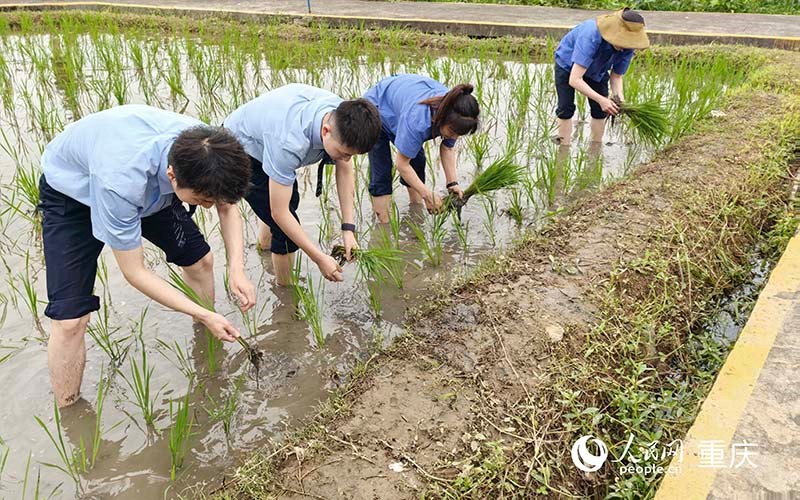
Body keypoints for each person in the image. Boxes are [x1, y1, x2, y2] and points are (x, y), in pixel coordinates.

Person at [39, 104, 255, 407]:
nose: (207, 206)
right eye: (202, 200)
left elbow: (226, 204)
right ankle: (70, 414)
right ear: (172, 176)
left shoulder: (208, 149)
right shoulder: (121, 181)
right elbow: (135, 272)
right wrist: (205, 312)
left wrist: (237, 269)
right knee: (70, 320)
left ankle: (207, 344)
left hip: (150, 188)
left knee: (201, 261)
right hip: (73, 193)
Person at [224, 84, 381, 286]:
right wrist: (319, 258)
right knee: (285, 229)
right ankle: (285, 295)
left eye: (352, 155)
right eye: (344, 152)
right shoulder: (289, 142)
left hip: (268, 134)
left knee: (289, 202)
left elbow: (344, 167)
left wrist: (348, 230)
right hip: (240, 148)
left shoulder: (341, 114)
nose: (347, 159)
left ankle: (265, 248)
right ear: (326, 130)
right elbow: (279, 213)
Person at [363, 75, 480, 223]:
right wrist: (427, 194)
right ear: (442, 117)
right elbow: (401, 164)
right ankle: (383, 228)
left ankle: (415, 216)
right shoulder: (418, 120)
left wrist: (452, 183)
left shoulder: (457, 110)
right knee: (382, 172)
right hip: (376, 107)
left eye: (458, 134)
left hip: (402, 105)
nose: (454, 136)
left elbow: (448, 148)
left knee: (418, 161)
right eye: (452, 132)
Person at [553, 7, 650, 145]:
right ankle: (564, 149)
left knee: (600, 111)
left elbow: (616, 77)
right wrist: (601, 99)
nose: (624, 47)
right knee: (565, 108)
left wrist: (619, 100)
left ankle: (595, 148)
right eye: (623, 41)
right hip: (568, 66)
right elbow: (575, 79)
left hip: (598, 69)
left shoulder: (628, 47)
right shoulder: (590, 36)